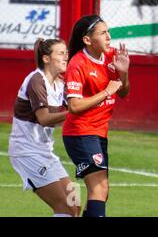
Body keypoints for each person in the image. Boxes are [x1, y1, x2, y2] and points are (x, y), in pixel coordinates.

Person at [62, 15, 130, 217]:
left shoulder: (112, 56)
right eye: (102, 33)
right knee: (99, 189)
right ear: (87, 40)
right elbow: (74, 106)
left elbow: (124, 92)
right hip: (81, 133)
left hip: (99, 132)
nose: (109, 36)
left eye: (108, 31)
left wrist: (124, 74)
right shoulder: (77, 64)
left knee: (102, 192)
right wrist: (106, 92)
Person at [8, 38, 79, 217]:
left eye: (66, 53)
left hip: (46, 153)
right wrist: (74, 112)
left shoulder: (60, 83)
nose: (66, 57)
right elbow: (44, 119)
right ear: (46, 59)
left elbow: (79, 102)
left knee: (75, 204)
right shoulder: (36, 80)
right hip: (27, 153)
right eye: (61, 53)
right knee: (64, 207)